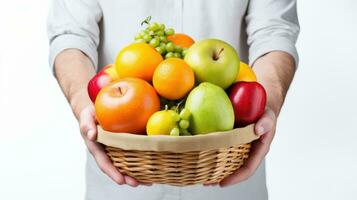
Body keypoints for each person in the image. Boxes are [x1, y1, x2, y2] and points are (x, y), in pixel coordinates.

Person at [47, 0, 299, 199]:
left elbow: (275, 31)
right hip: (121, 173)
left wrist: (268, 105)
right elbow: (71, 34)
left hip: (229, 171)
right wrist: (84, 105)